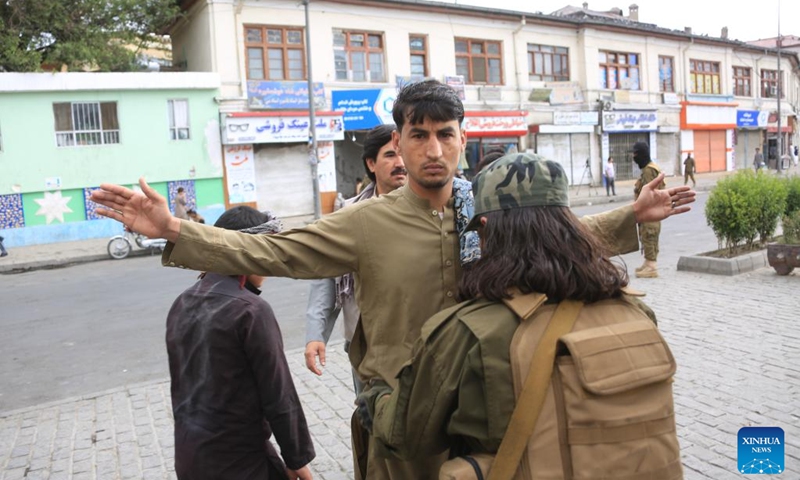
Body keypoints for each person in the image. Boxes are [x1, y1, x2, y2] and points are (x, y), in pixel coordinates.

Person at [90, 79, 695, 480]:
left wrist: (631, 217)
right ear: (398, 144)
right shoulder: (363, 223)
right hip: (397, 423)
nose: (434, 148)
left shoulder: (484, 211)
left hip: (486, 415)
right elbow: (272, 250)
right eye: (419, 134)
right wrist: (174, 229)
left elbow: (555, 234)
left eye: (446, 134)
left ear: (462, 140)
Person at [358, 153, 671, 476]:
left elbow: (406, 435)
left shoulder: (466, 333)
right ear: (569, 225)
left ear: (485, 227)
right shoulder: (635, 311)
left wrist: (378, 398)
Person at [166, 206, 314, 480]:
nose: (272, 260)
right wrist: (297, 458)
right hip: (239, 463)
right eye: (268, 249)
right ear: (246, 251)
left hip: (189, 457)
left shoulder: (182, 302)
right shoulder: (251, 311)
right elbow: (279, 395)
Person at [304, 124, 406, 396]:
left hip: (417, 343)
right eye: (390, 156)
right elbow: (325, 280)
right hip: (364, 343)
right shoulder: (348, 217)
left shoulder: (432, 209)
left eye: (404, 154)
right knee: (369, 418)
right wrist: (316, 335)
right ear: (371, 163)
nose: (401, 163)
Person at [633, 141, 666, 278]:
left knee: (649, 234)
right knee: (647, 235)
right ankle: (648, 262)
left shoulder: (648, 170)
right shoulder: (650, 168)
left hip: (650, 210)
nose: (633, 157)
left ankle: (651, 266)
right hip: (650, 210)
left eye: (636, 154)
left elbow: (649, 192)